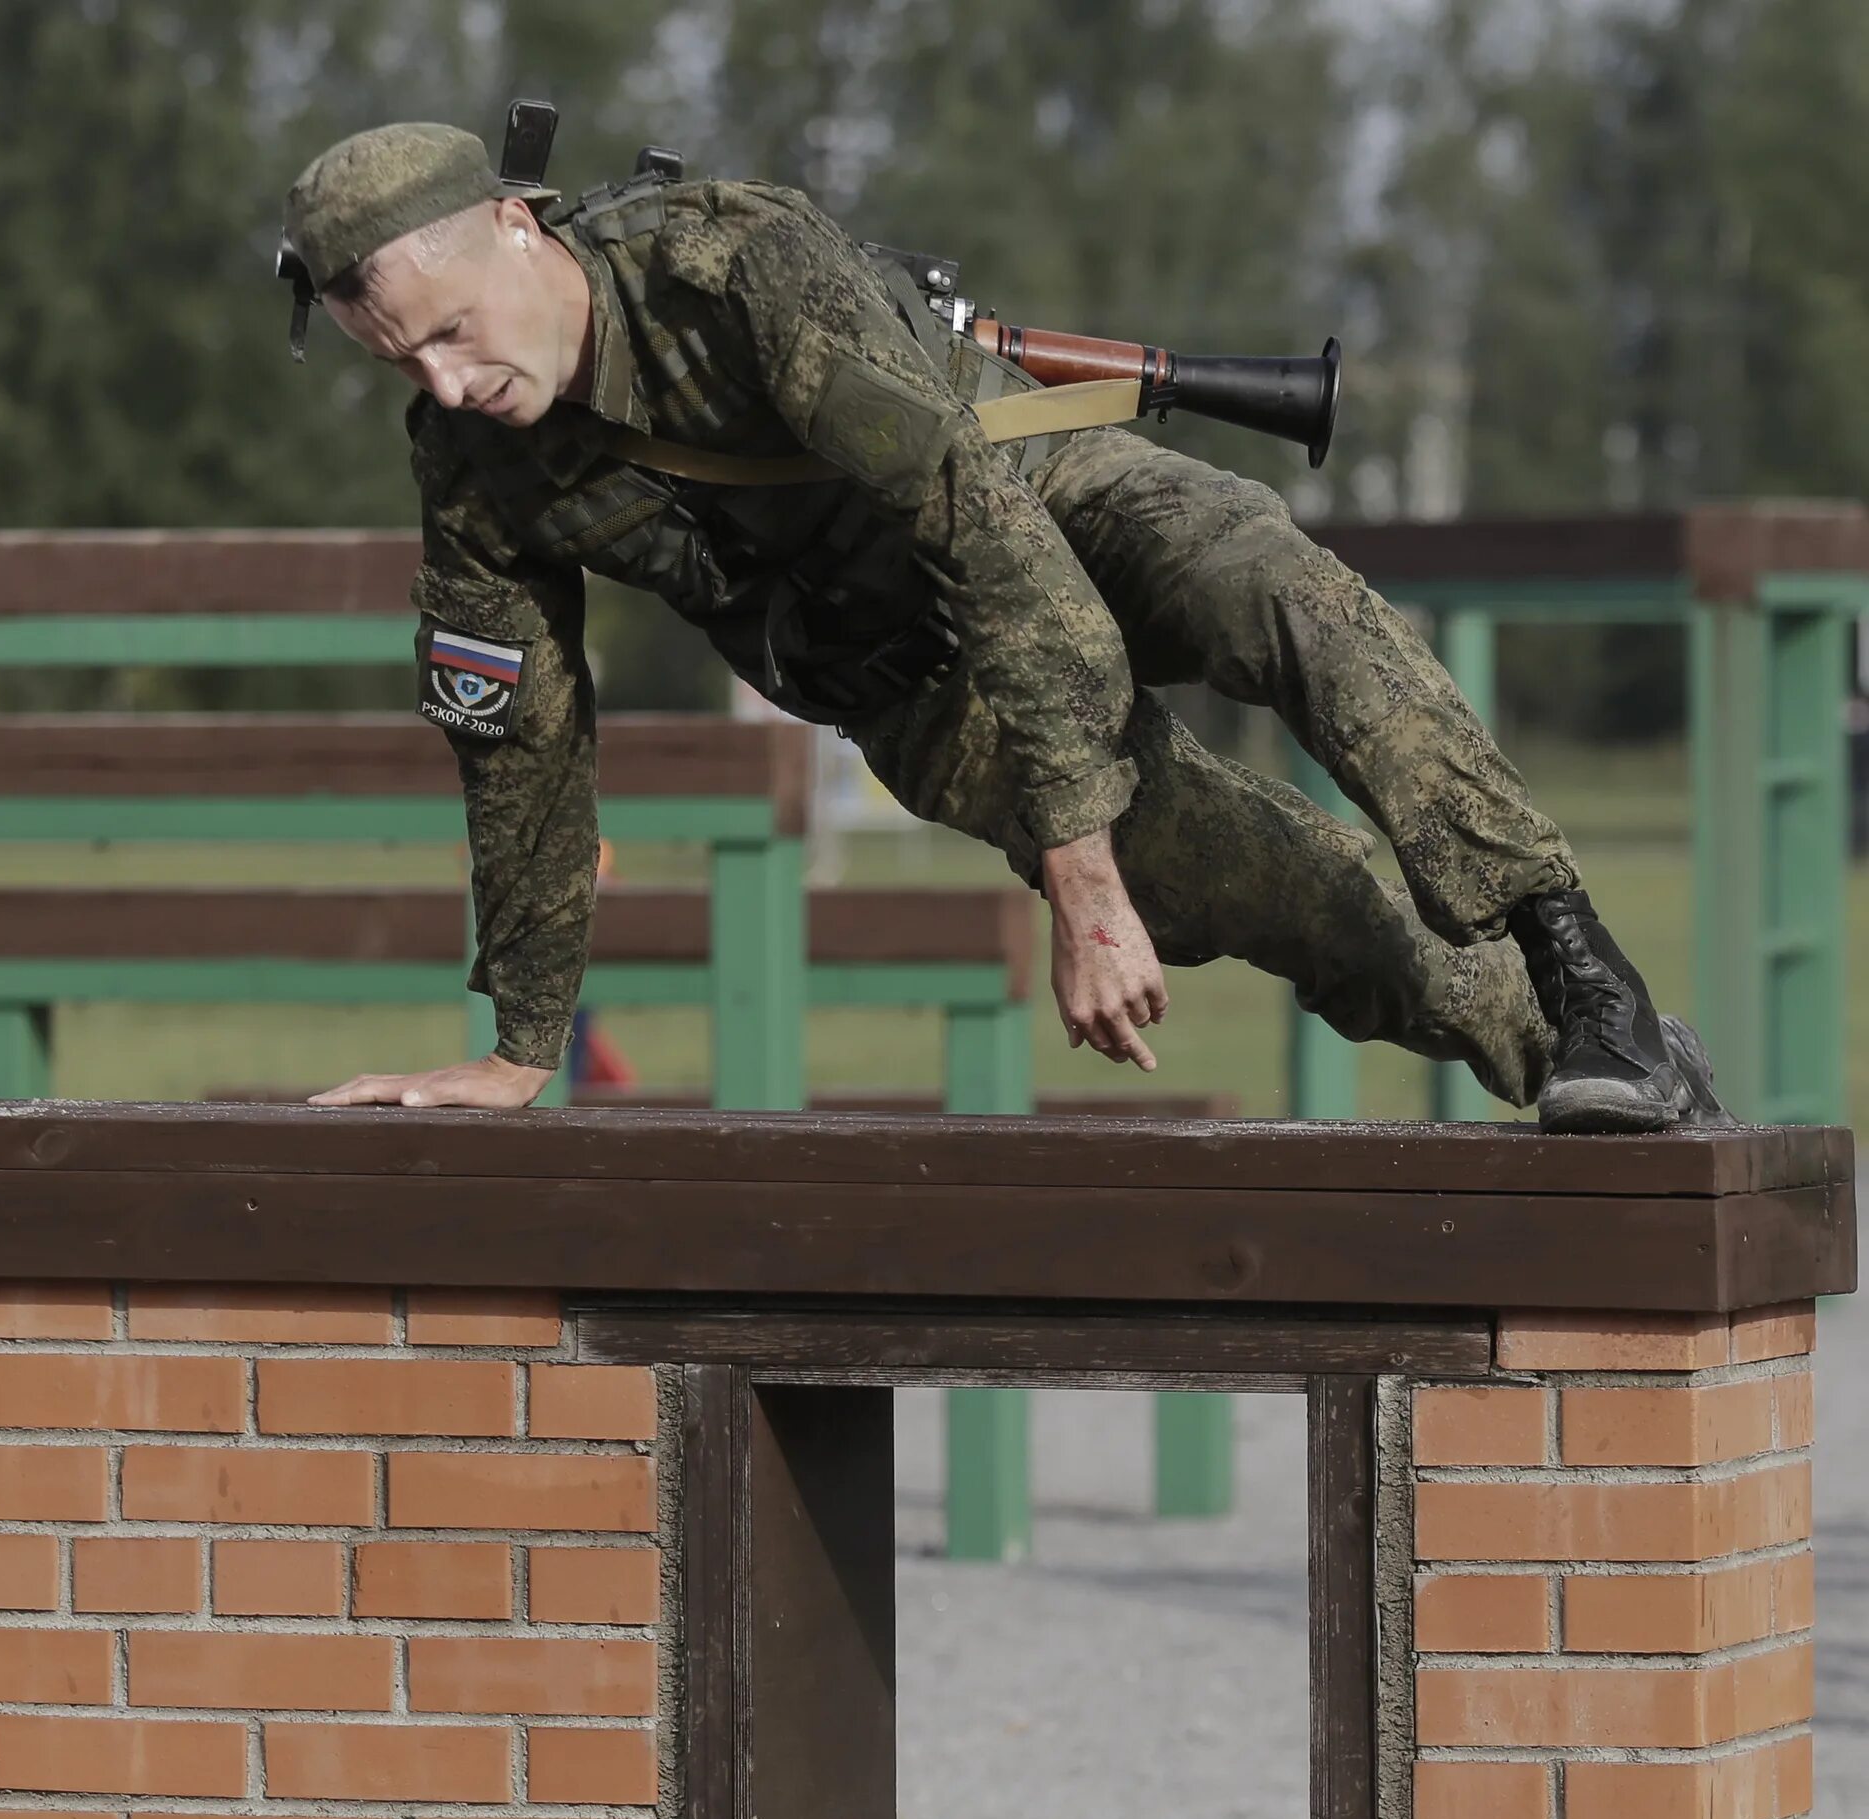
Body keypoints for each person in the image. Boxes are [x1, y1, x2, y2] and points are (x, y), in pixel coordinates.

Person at [285, 122, 1721, 1131]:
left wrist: (1086, 893)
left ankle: (1582, 965)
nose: (446, 380)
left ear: (516, 231)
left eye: (455, 329)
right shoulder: (473, 463)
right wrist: (526, 1044)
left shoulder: (735, 275)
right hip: (908, 680)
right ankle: (1606, 1070)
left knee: (1274, 594)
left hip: (1039, 500)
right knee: (1291, 899)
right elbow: (521, 747)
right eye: (399, 360)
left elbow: (992, 540)